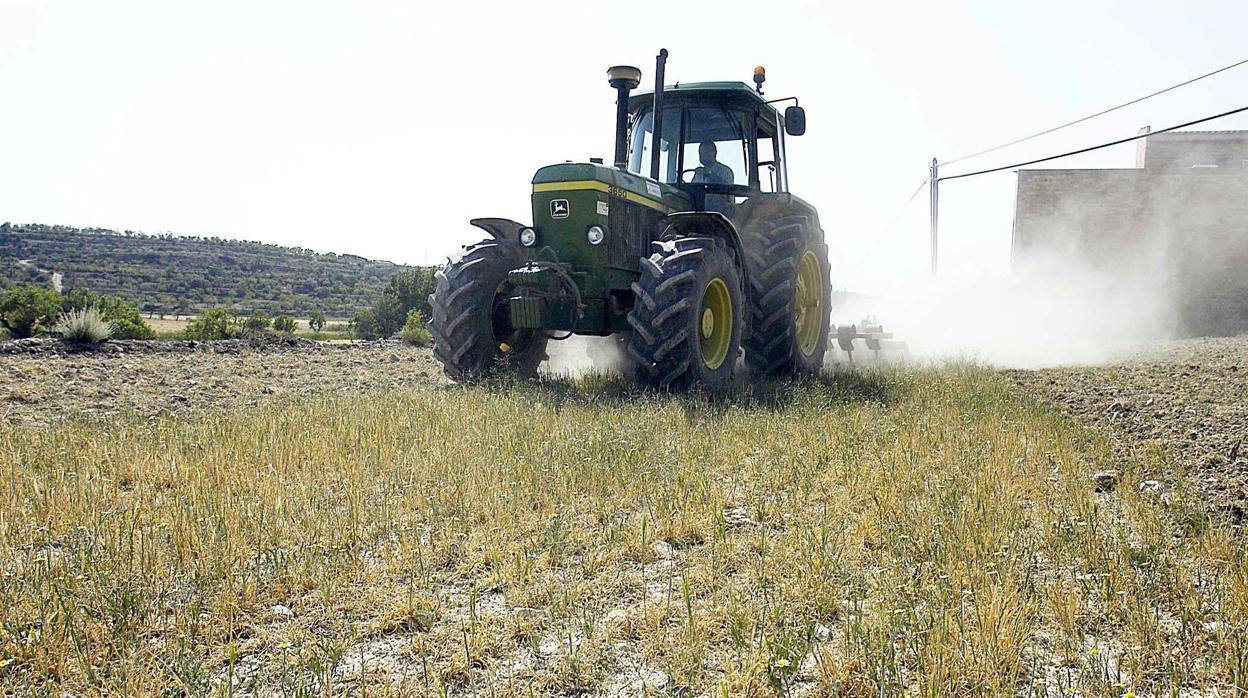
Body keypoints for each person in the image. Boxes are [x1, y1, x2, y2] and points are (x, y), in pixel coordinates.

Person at [691, 142, 734, 216]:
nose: (703, 155)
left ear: (715, 153)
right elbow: (692, 191)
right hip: (699, 213)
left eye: (707, 152)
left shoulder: (725, 171)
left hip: (720, 216)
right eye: (701, 153)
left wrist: (709, 174)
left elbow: (726, 191)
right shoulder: (698, 173)